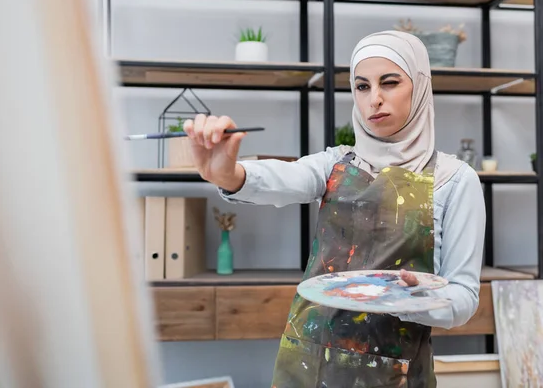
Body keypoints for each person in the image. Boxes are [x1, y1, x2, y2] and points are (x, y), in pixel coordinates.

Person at [182, 30, 485, 387]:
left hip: (394, 372)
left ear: (419, 86)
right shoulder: (335, 164)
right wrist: (229, 173)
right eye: (362, 86)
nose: (374, 99)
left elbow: (464, 297)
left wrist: (418, 299)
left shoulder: (454, 180)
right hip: (308, 361)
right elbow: (285, 176)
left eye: (390, 83)